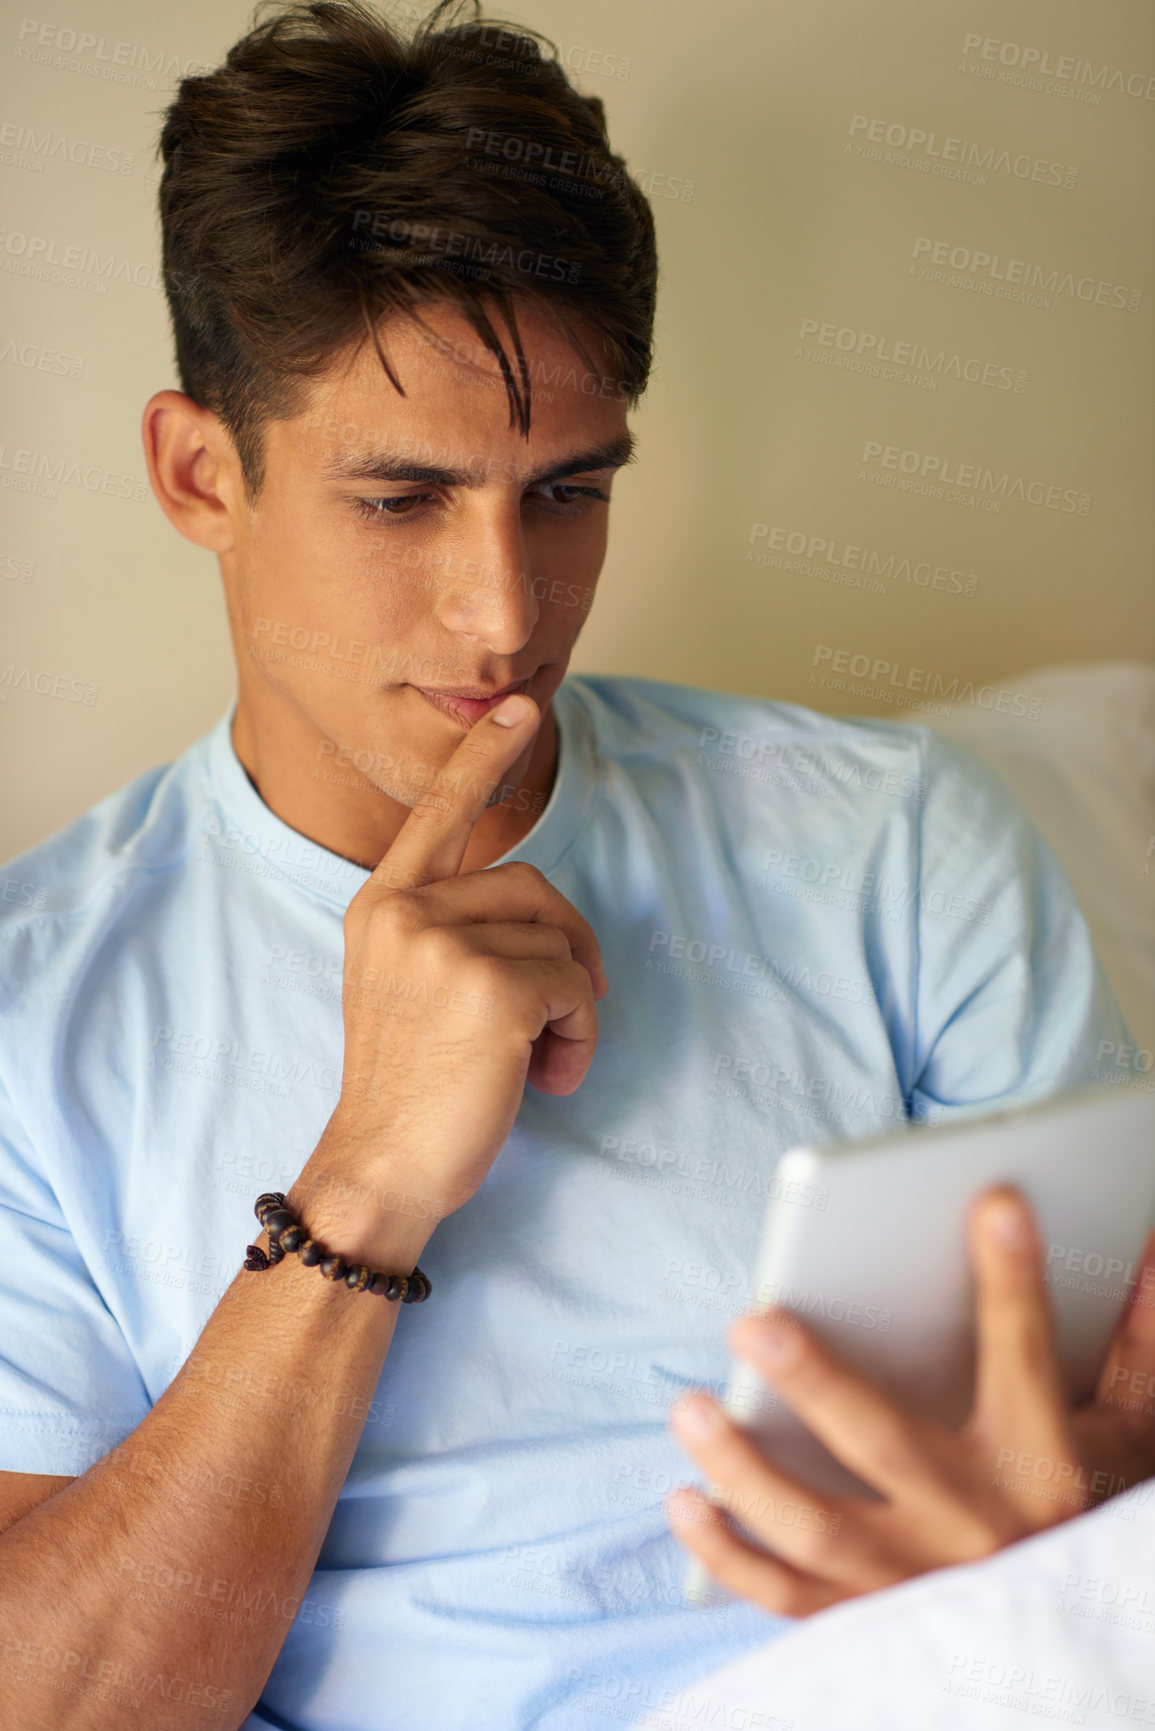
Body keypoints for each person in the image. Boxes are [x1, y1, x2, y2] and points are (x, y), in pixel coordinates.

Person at [0, 2, 1147, 1727]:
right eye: (402, 500)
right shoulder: (32, 1013)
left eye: (565, 493)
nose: (507, 613)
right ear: (197, 472)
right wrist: (365, 1179)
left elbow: (1123, 1385)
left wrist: (1066, 1500)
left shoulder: (893, 841)